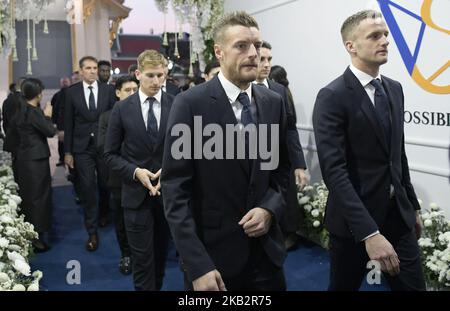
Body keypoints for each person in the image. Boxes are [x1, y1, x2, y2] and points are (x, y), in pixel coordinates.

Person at [161, 11, 290, 291]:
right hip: (213, 261)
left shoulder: (273, 102)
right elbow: (175, 190)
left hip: (267, 256)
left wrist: (269, 209)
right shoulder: (190, 104)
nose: (253, 53)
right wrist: (197, 265)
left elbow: (281, 174)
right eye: (241, 46)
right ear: (219, 52)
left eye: (257, 45)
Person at [312, 10, 425, 291]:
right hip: (353, 223)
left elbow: (397, 156)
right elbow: (334, 172)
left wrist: (412, 206)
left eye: (385, 34)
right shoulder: (332, 96)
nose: (385, 40)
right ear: (351, 46)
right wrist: (369, 232)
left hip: (397, 217)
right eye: (375, 36)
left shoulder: (394, 89)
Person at [104, 50, 173, 290]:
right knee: (143, 263)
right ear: (138, 74)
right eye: (151, 75)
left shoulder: (177, 104)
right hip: (135, 196)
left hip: (168, 198)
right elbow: (109, 154)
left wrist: (169, 169)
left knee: (161, 260)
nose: (156, 81)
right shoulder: (122, 109)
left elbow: (186, 149)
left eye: (161, 75)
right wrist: (136, 172)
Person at [255, 42, 308, 250]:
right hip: (252, 164)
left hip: (280, 161)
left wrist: (299, 164)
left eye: (269, 59)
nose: (266, 64)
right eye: (262, 59)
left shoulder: (279, 90)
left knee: (284, 206)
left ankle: (285, 237)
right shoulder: (244, 91)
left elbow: (290, 128)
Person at [64, 56, 116, 251]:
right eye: (89, 68)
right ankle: (92, 231)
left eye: (95, 68)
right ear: (81, 71)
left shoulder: (108, 91)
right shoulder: (71, 93)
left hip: (104, 146)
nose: (93, 71)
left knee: (105, 184)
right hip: (81, 147)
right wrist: (68, 151)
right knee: (87, 187)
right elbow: (68, 124)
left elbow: (114, 119)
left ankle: (104, 213)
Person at [98, 75, 139, 275]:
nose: (132, 94)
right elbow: (104, 147)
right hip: (119, 178)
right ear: (118, 93)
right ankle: (126, 255)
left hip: (147, 178)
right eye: (127, 90)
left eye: (135, 90)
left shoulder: (146, 112)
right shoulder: (107, 117)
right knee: (122, 221)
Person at [13, 78, 56, 252]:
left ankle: (31, 233)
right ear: (39, 94)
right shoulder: (35, 112)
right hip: (36, 161)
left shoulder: (21, 110)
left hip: (25, 159)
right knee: (39, 198)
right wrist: (48, 115)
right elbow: (50, 131)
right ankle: (36, 238)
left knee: (31, 197)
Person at [2, 77, 26, 182]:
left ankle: (17, 183)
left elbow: (4, 121)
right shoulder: (26, 100)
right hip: (26, 138)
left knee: (15, 162)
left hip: (11, 136)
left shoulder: (7, 101)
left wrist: (7, 133)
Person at [51, 77, 71, 166]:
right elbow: (54, 110)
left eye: (66, 82)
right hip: (61, 123)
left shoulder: (73, 94)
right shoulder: (57, 95)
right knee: (61, 142)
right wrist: (54, 123)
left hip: (72, 123)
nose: (65, 83)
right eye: (63, 82)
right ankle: (61, 159)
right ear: (60, 83)